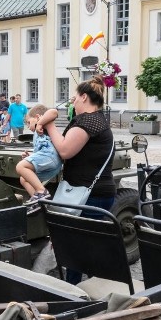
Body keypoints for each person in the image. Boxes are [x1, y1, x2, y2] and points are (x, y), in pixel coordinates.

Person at [42, 76, 115, 283]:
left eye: (74, 98)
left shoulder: (89, 121)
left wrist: (49, 125)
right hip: (92, 192)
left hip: (91, 194)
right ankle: (87, 285)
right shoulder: (95, 119)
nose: (72, 101)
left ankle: (81, 287)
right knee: (83, 243)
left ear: (84, 97)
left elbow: (65, 150)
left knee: (79, 245)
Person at [17, 105, 62, 214]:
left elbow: (53, 111)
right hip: (50, 160)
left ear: (37, 117)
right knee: (23, 178)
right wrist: (30, 157)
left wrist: (41, 122)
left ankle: (42, 192)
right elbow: (40, 151)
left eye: (28, 122)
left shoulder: (42, 124)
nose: (28, 126)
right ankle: (38, 201)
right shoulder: (37, 133)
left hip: (50, 157)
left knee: (20, 166)